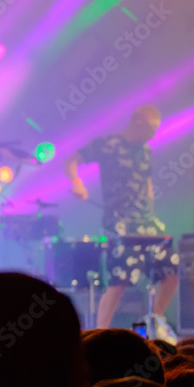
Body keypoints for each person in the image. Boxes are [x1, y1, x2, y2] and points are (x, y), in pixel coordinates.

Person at [64, 104, 179, 331]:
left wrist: (151, 207)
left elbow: (146, 181)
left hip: (146, 223)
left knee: (172, 271)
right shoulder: (108, 145)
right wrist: (77, 183)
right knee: (119, 281)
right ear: (137, 122)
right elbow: (71, 161)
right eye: (150, 129)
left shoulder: (146, 151)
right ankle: (100, 332)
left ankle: (155, 322)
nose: (152, 135)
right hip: (118, 222)